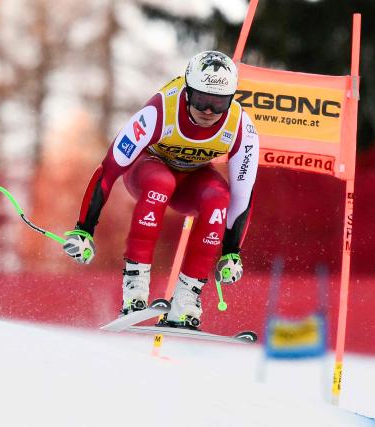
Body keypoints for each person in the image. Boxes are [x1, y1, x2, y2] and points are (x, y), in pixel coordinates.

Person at [62, 51, 260, 329]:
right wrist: (84, 229)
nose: (209, 112)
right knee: (160, 183)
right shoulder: (160, 111)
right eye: (202, 100)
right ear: (188, 92)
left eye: (219, 103)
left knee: (219, 198)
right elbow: (109, 170)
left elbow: (243, 193)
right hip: (146, 169)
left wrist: (232, 252)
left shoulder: (242, 127)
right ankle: (134, 293)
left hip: (192, 179)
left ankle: (186, 304)